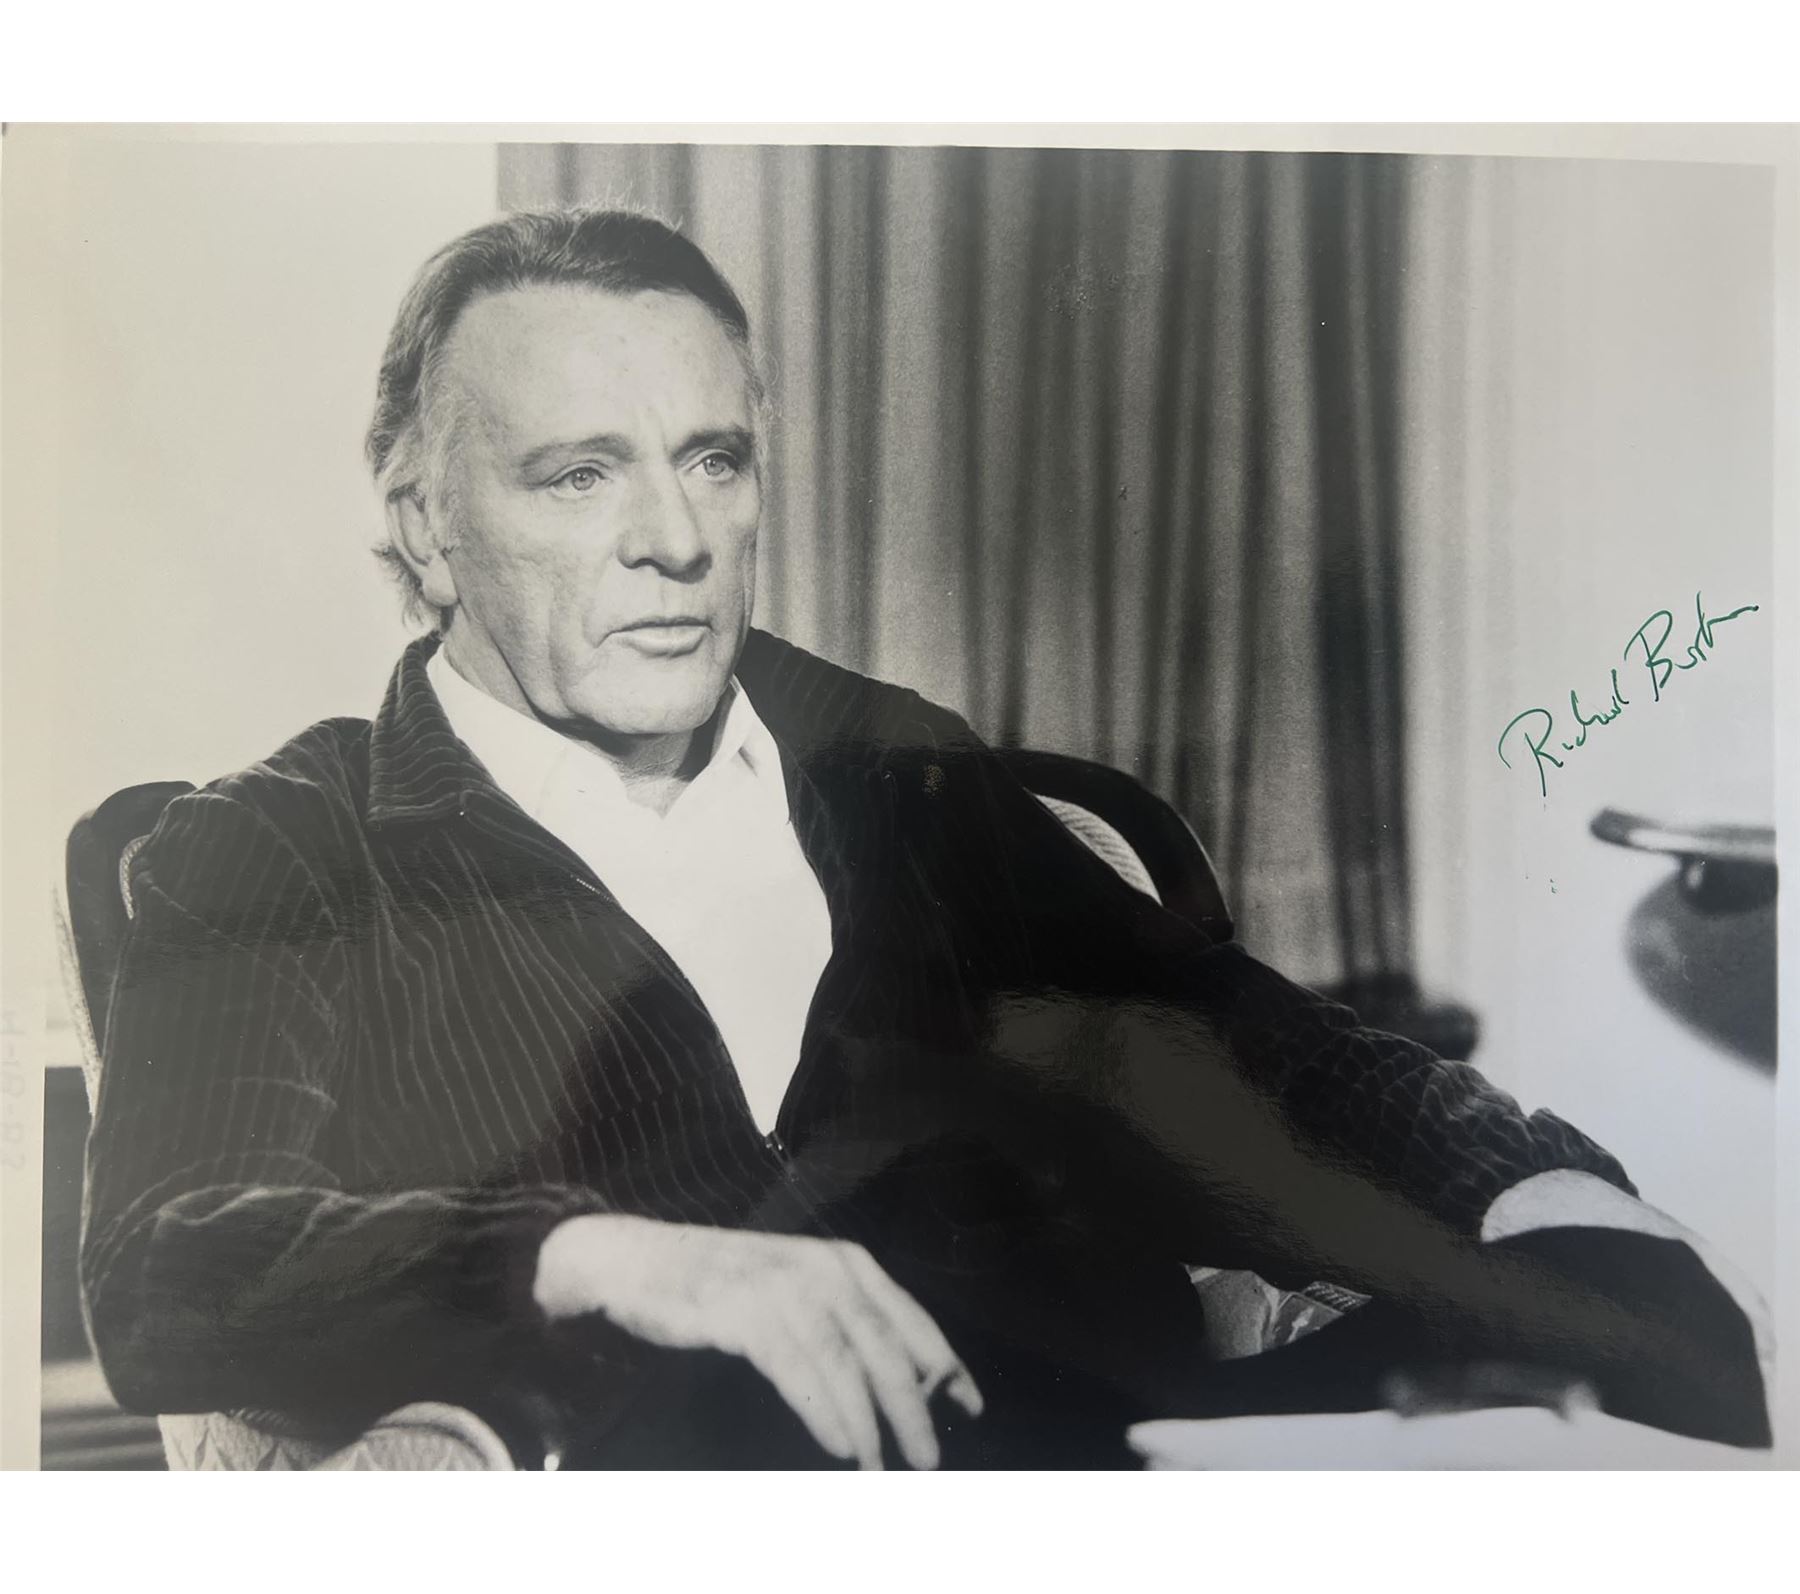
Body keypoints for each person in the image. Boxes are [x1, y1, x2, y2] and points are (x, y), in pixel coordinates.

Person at [79, 208, 1770, 1469]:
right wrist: (602, 1259)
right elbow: (167, 1264)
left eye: (713, 460)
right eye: (578, 475)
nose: (675, 538)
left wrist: (1521, 1177)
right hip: (707, 1493)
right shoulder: (280, 851)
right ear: (427, 523)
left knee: (1650, 1323)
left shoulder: (882, 756)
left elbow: (1241, 1032)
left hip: (1111, 1454)